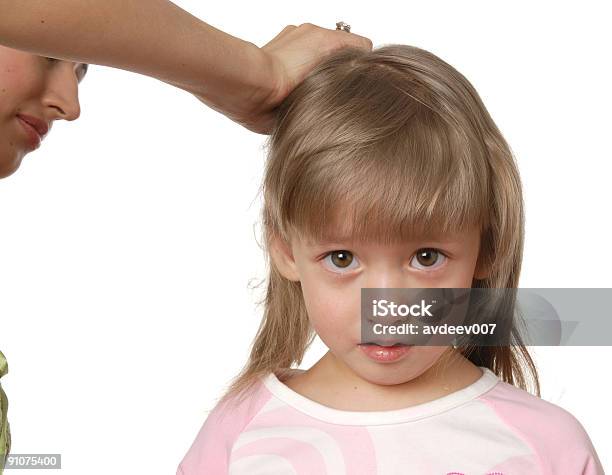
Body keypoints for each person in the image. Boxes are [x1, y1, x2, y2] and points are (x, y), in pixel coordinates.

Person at [176, 44, 605, 474]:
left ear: (486, 249)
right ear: (286, 251)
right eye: (342, 258)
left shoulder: (547, 447)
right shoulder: (241, 432)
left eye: (425, 256)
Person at [0, 4, 372, 471]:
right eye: (51, 54)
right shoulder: (250, 428)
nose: (71, 106)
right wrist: (260, 73)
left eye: (426, 255)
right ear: (284, 249)